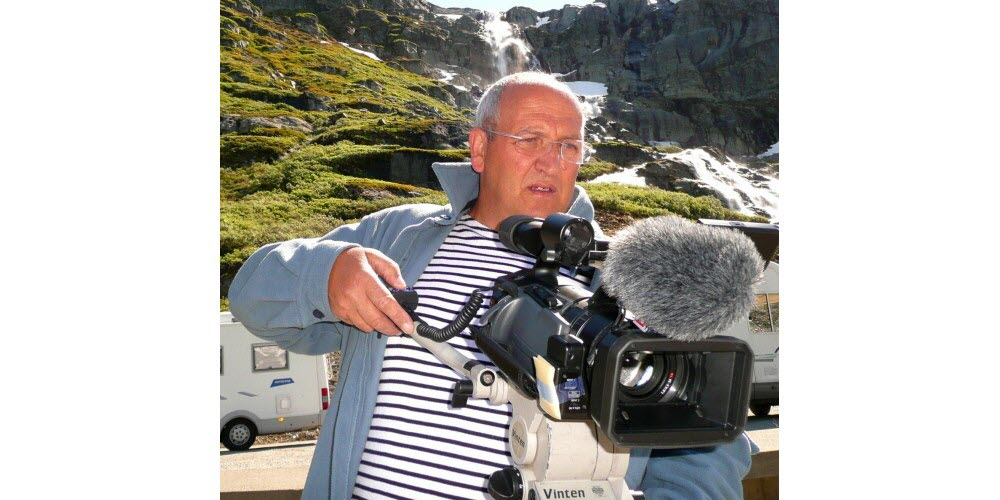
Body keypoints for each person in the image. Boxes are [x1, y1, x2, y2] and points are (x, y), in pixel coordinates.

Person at [229, 72, 755, 500]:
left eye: (569, 146)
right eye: (530, 139)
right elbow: (253, 296)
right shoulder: (395, 235)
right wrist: (326, 271)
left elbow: (710, 435)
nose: (552, 161)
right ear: (479, 148)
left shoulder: (628, 273)